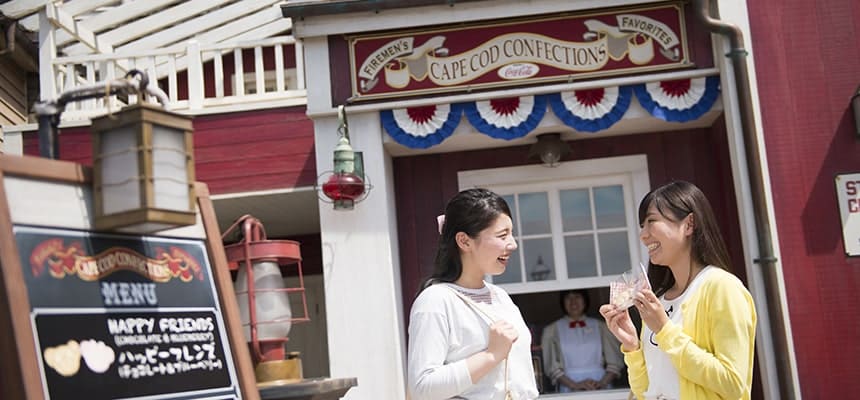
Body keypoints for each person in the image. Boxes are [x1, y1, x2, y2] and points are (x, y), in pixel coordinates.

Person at [599, 180, 757, 400]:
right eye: (642, 226)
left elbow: (733, 383)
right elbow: (643, 392)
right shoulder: (658, 301)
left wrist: (665, 331)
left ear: (689, 224)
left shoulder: (723, 288)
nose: (643, 235)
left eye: (651, 221)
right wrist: (632, 347)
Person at [407, 188, 539, 400]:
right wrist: (490, 355)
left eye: (511, 234)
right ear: (464, 241)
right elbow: (422, 388)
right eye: (502, 235)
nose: (513, 244)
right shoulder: (435, 301)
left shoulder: (501, 297)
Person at [541, 289, 623, 392]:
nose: (573, 302)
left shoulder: (601, 326)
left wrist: (601, 383)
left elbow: (615, 361)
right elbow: (551, 365)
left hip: (600, 383)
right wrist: (574, 385)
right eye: (568, 298)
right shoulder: (551, 330)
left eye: (577, 297)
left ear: (585, 300)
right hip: (569, 386)